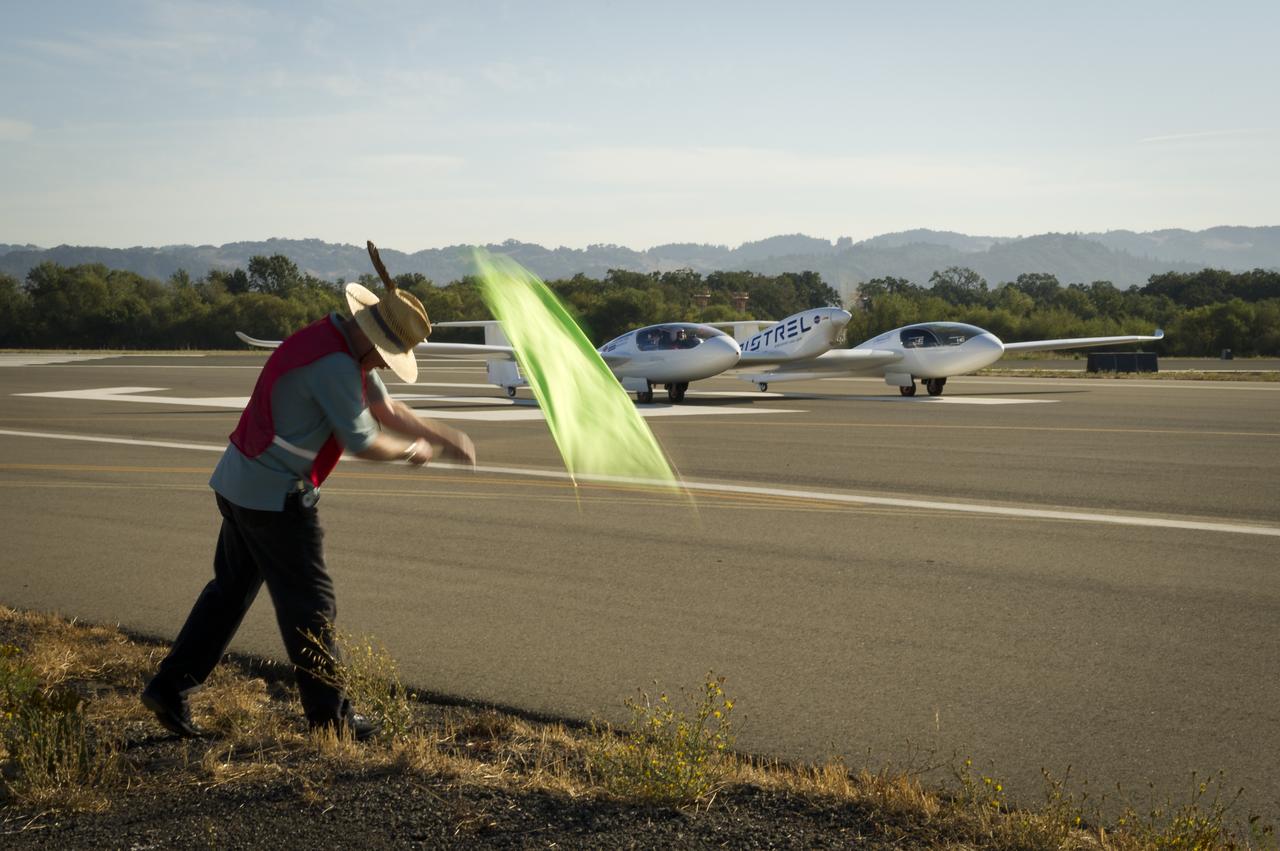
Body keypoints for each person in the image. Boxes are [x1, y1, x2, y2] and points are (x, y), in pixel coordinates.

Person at [141, 262, 475, 741]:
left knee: (229, 592)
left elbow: (386, 408)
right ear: (373, 339)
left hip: (238, 482)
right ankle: (330, 721)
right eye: (388, 354)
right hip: (275, 499)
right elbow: (365, 440)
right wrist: (413, 450)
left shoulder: (335, 340)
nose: (385, 364)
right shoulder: (337, 366)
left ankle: (169, 688)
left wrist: (445, 436)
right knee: (311, 606)